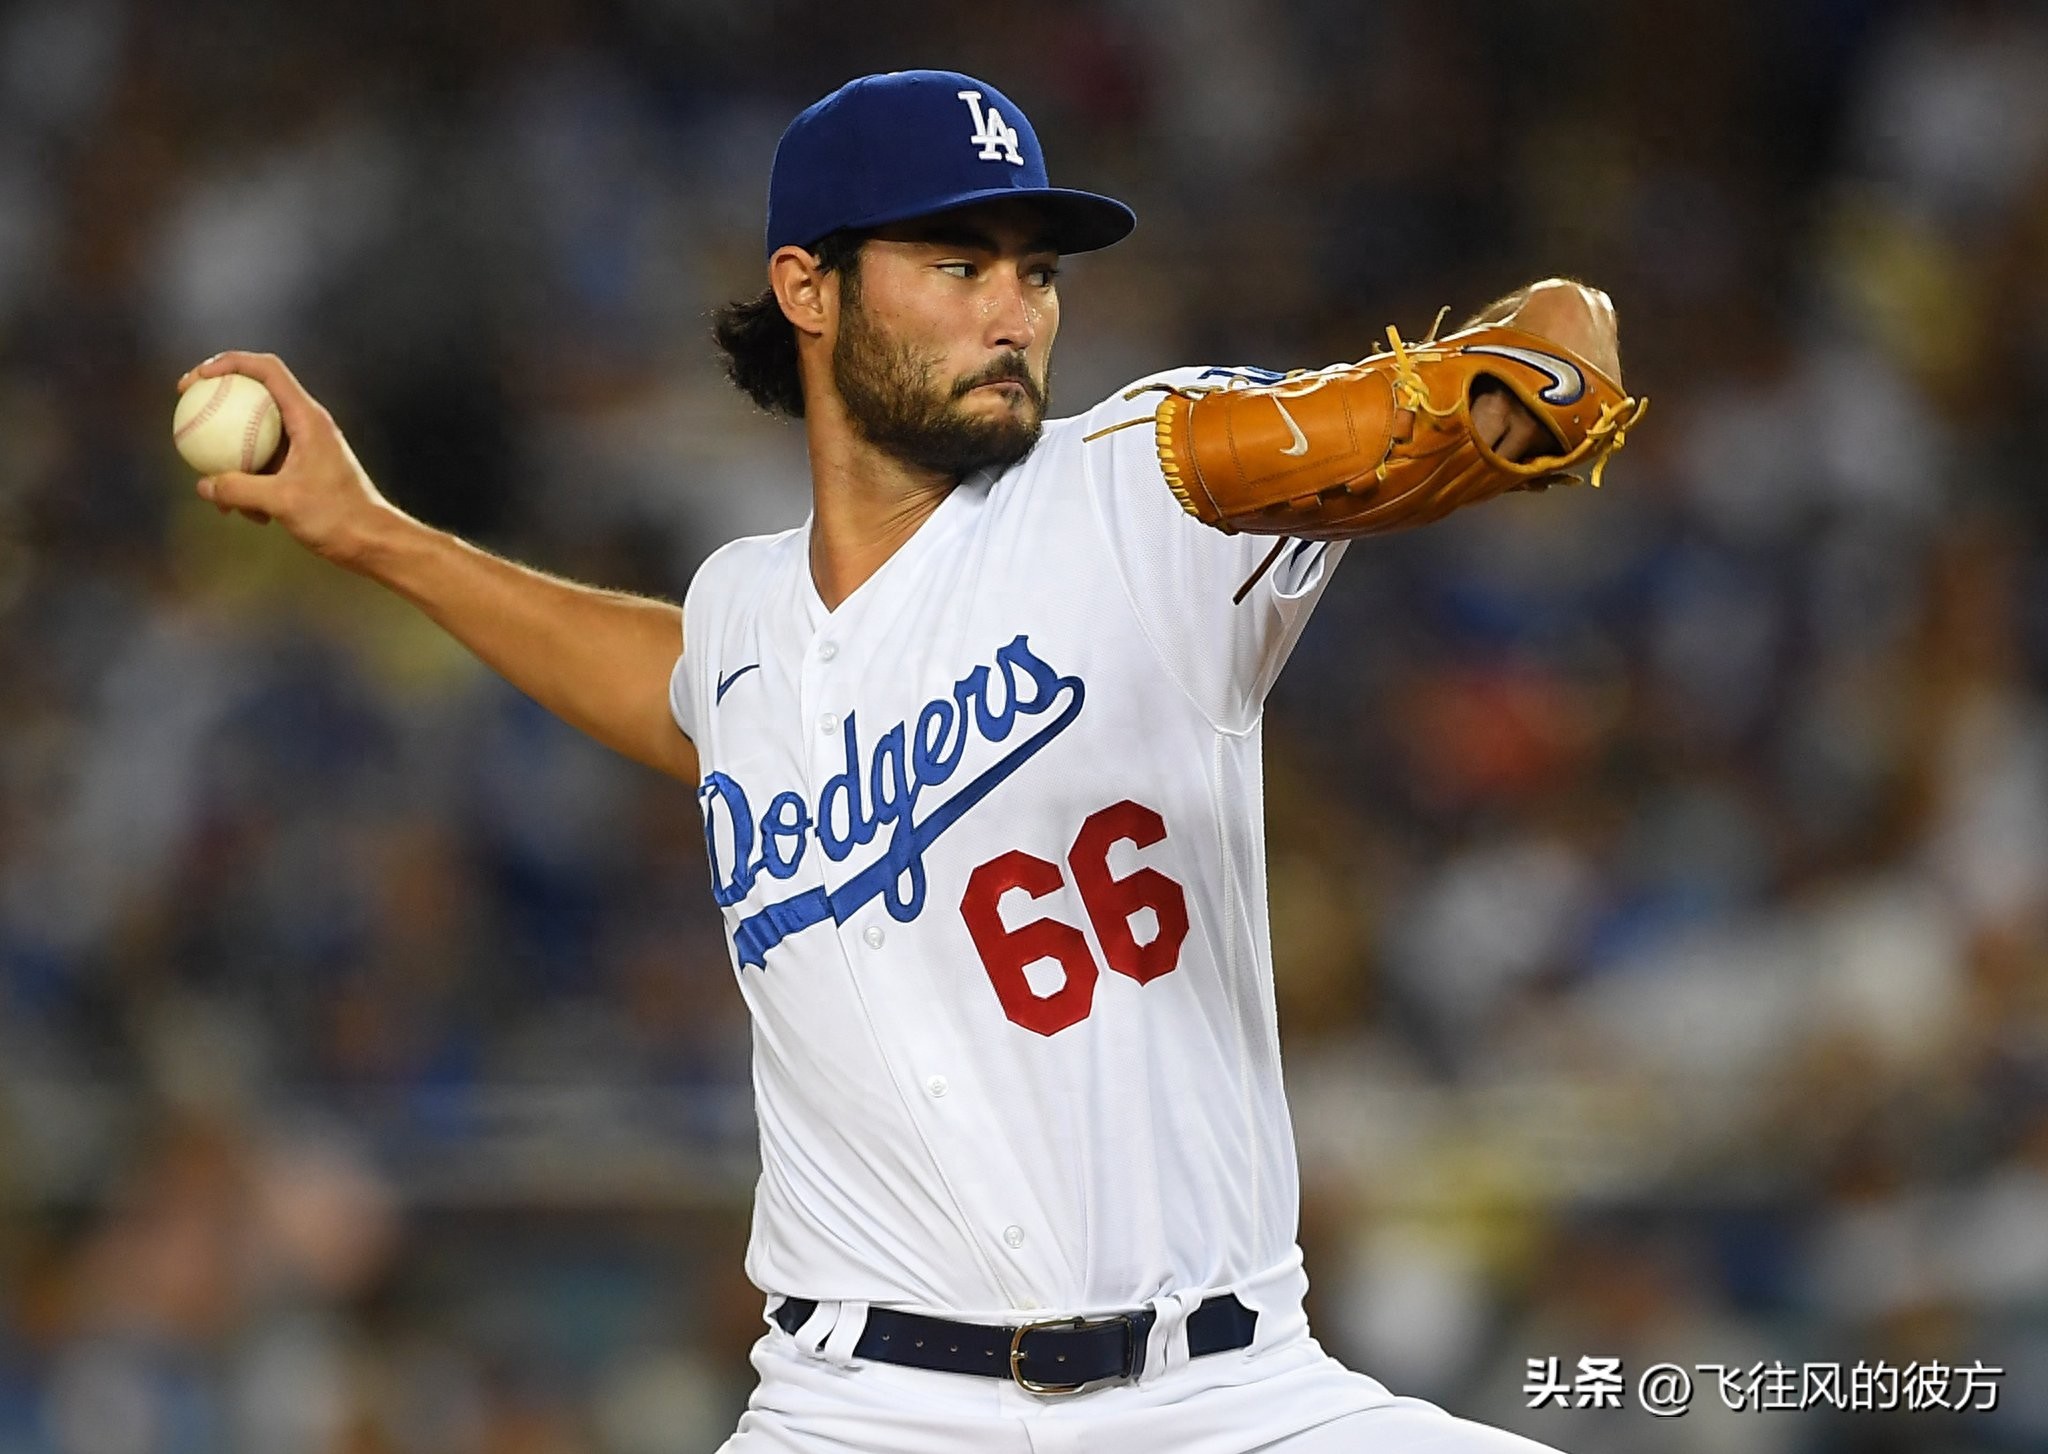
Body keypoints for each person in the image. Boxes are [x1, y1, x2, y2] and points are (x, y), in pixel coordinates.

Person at [183, 68, 1628, 1454]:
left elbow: (1551, 342)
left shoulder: (1147, 481)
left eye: (1038, 272)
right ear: (808, 286)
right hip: (857, 1406)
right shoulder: (746, 614)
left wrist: (1518, 380)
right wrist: (368, 528)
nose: (1016, 310)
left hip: (1227, 1395)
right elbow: (679, 691)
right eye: (958, 264)